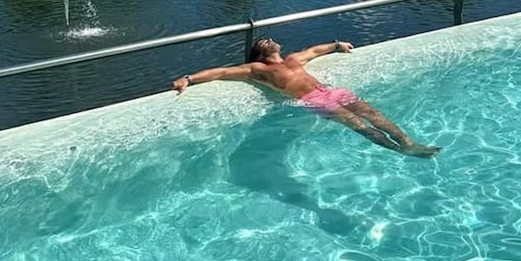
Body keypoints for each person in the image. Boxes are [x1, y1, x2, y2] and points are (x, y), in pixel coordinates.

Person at [172, 37, 441, 158]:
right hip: (315, 100)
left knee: (374, 115)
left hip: (329, 90)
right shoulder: (258, 69)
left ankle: (409, 143)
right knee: (359, 126)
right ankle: (400, 151)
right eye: (263, 42)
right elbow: (220, 72)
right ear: (258, 53)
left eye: (269, 39)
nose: (269, 40)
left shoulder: (291, 59)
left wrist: (337, 45)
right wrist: (189, 79)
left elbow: (314, 50)